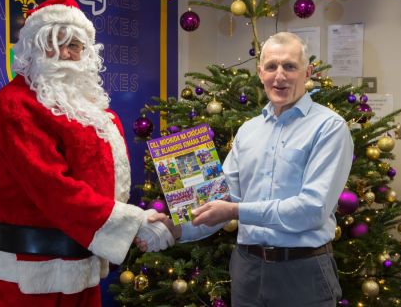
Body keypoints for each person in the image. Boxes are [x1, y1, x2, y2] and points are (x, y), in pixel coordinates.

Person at [0, 0, 174, 307]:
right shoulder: (14, 105)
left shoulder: (93, 109)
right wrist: (133, 222)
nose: (65, 54)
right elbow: (52, 187)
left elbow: (103, 184)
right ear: (33, 47)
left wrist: (137, 220)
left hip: (82, 265)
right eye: (55, 42)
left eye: (75, 45)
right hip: (29, 276)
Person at [142, 32, 354, 306]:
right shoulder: (248, 131)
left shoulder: (329, 128)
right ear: (260, 72)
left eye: (290, 66)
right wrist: (175, 228)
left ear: (307, 72)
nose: (280, 76)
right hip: (247, 270)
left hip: (302, 271)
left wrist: (236, 212)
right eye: (271, 66)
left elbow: (312, 210)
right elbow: (221, 199)